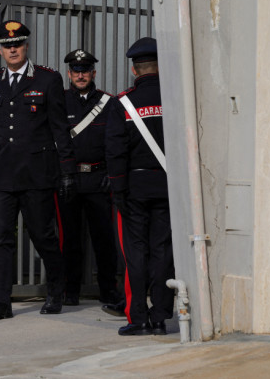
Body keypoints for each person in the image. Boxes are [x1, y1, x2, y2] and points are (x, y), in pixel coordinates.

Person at [0, 20, 77, 323]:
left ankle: (57, 290)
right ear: (0, 50)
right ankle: (1, 303)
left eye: (17, 43)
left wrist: (68, 170)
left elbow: (60, 129)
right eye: (7, 45)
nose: (13, 49)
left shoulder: (48, 79)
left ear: (26, 46)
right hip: (2, 175)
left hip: (37, 174)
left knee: (43, 236)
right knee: (0, 240)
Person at [105, 37, 174, 335]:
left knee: (135, 252)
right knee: (162, 252)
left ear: (135, 70)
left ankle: (138, 318)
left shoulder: (123, 103)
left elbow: (115, 150)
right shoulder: (174, 99)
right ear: (161, 66)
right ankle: (160, 317)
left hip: (133, 188)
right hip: (168, 186)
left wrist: (118, 190)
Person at [58, 49, 123, 309]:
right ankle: (69, 290)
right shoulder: (60, 102)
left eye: (85, 70)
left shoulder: (109, 103)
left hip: (99, 179)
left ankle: (109, 291)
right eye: (76, 70)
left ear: (93, 73)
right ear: (69, 74)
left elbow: (117, 141)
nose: (81, 75)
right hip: (69, 180)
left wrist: (111, 172)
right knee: (69, 239)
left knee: (104, 240)